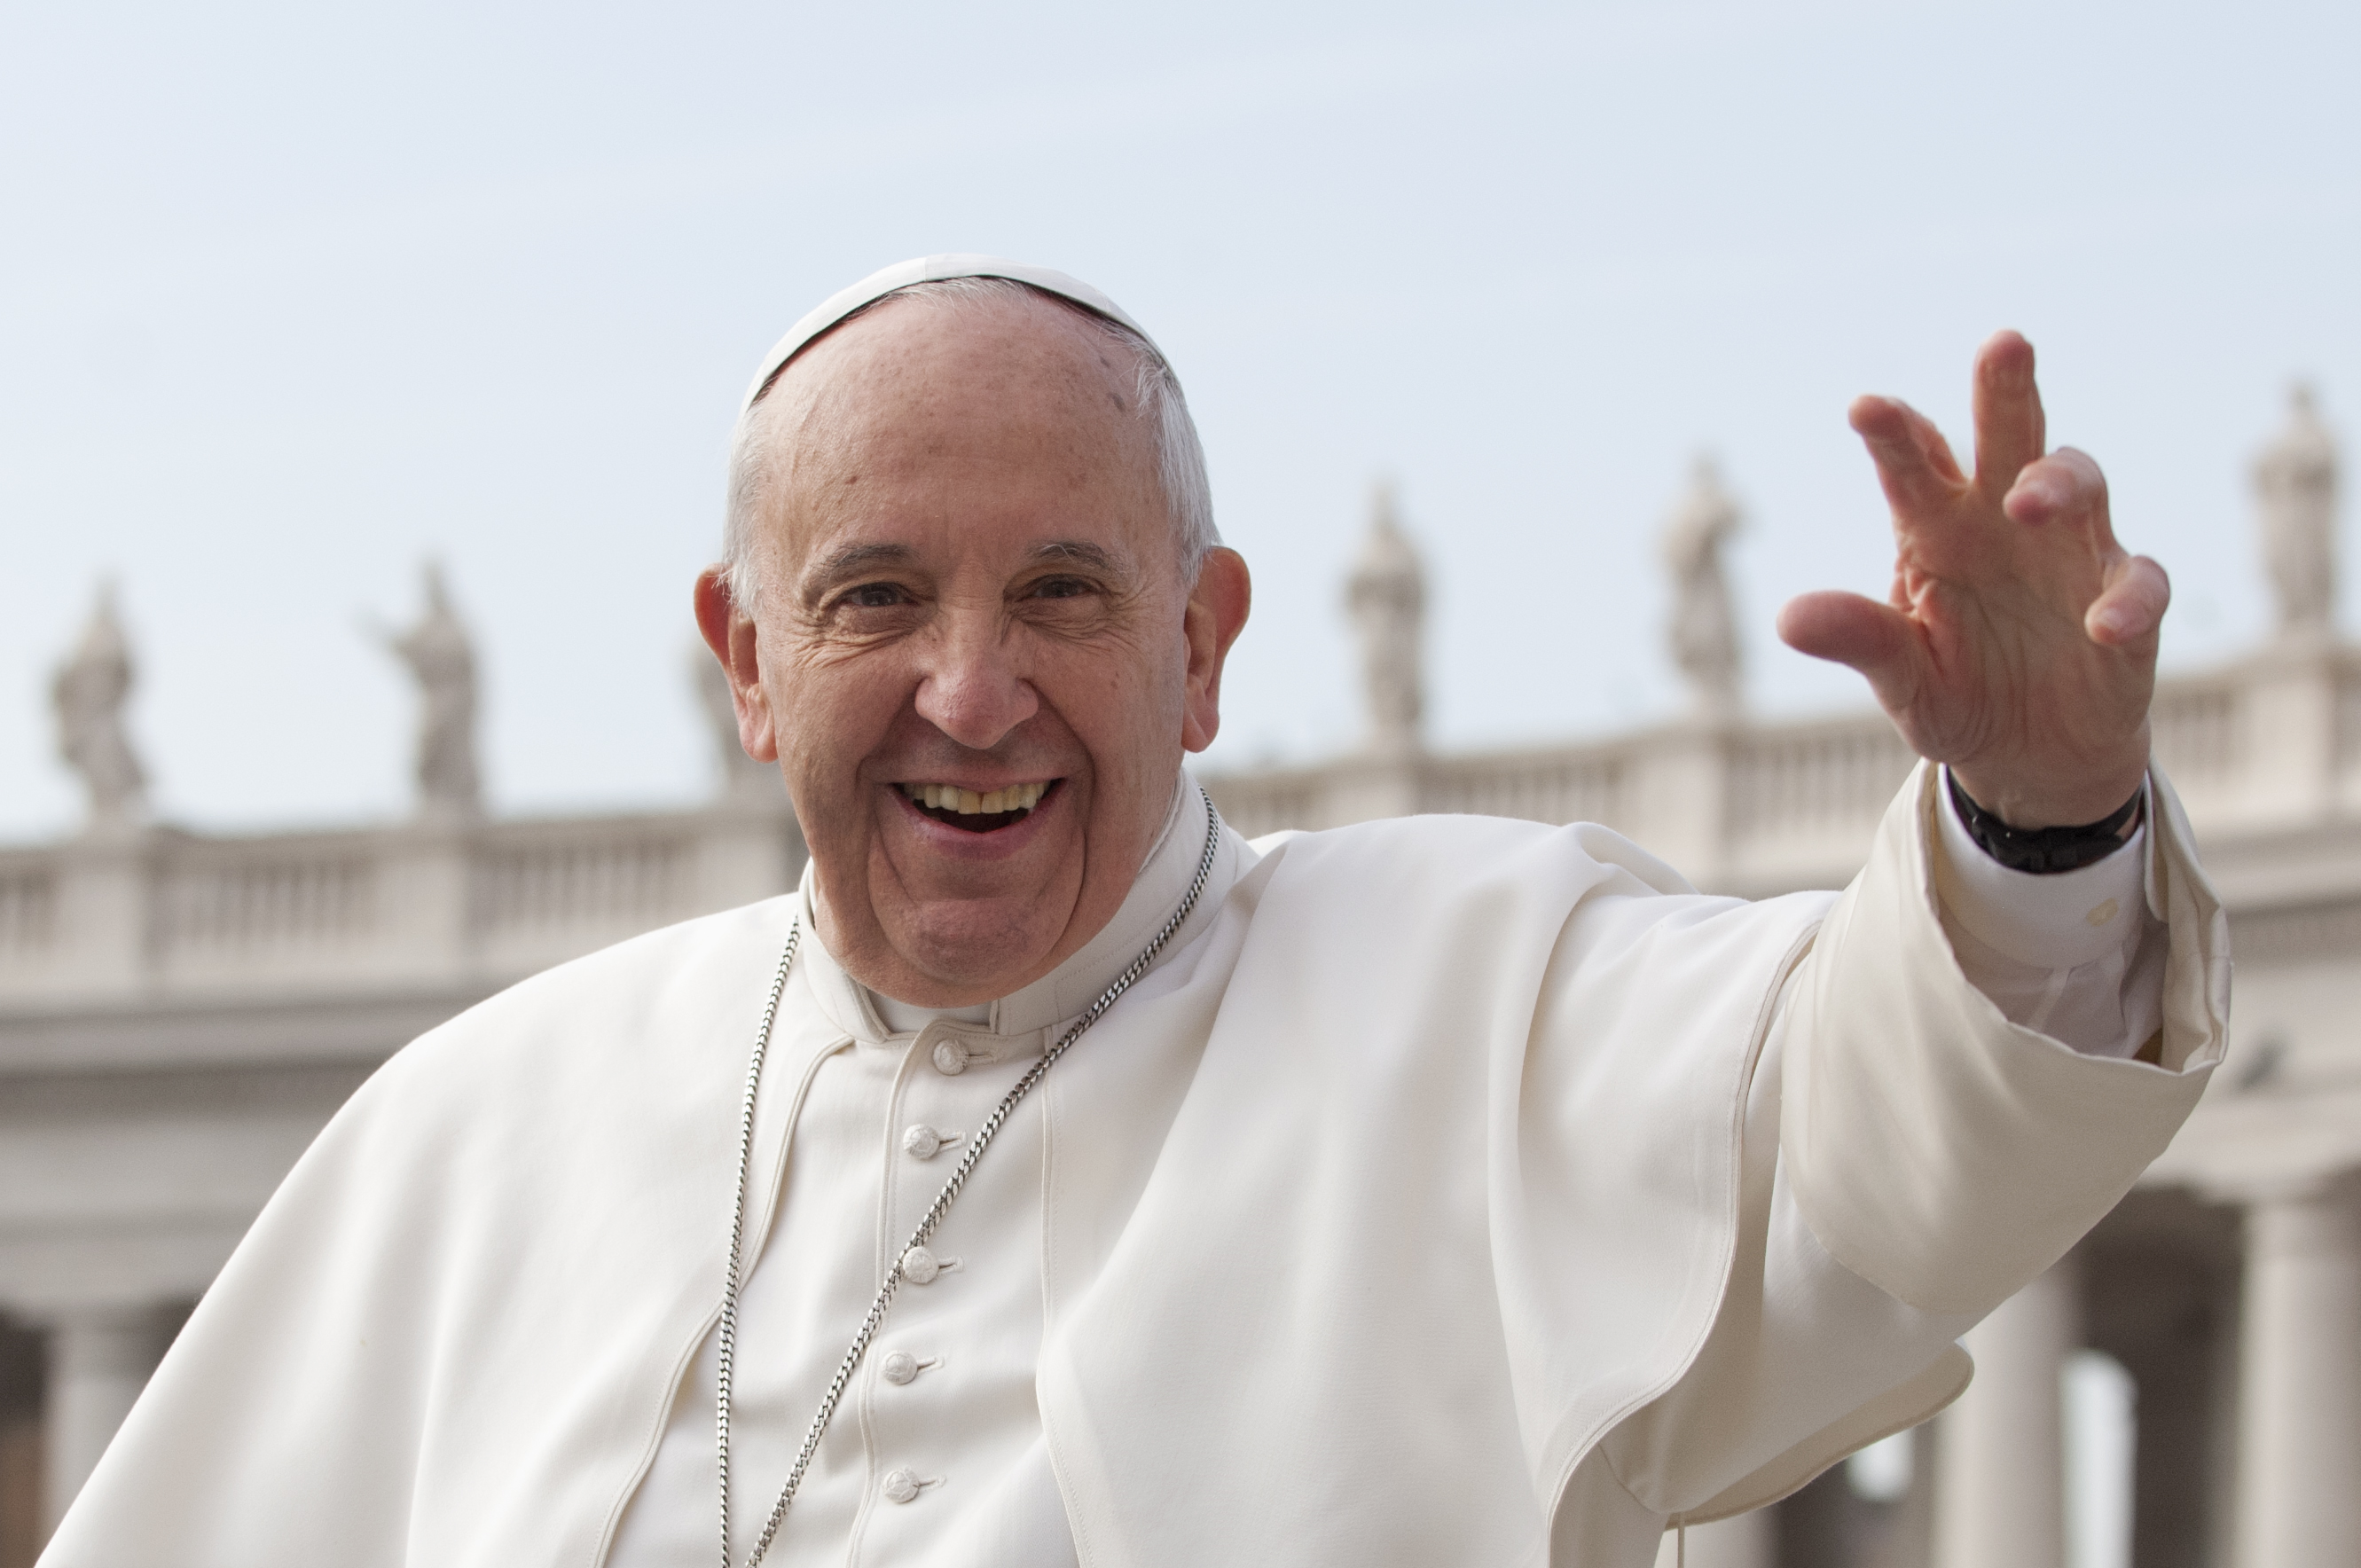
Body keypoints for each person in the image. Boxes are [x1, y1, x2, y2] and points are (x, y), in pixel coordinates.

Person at [41, 257, 2226, 1568]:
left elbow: (1875, 1121)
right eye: (874, 595)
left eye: (1063, 594)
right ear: (742, 657)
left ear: (1204, 644)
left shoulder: (1474, 985)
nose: (968, 689)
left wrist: (2036, 813)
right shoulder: (476, 1120)